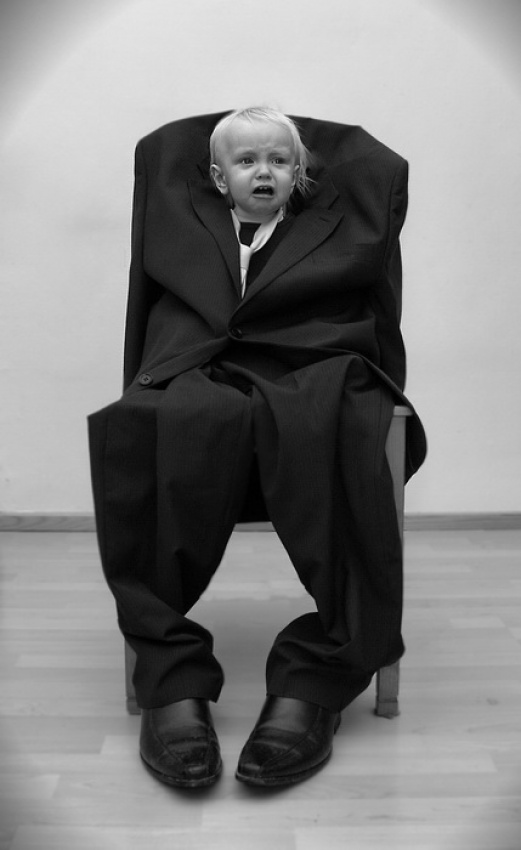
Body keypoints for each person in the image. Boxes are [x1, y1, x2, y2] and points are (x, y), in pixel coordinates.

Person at [88, 106, 426, 790]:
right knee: (146, 424)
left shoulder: (332, 230)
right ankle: (171, 672)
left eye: (278, 160)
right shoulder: (185, 224)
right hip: (203, 364)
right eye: (246, 161)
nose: (263, 172)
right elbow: (157, 307)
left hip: (309, 362)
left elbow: (366, 311)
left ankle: (317, 674)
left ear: (300, 174)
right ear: (218, 179)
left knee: (340, 426)